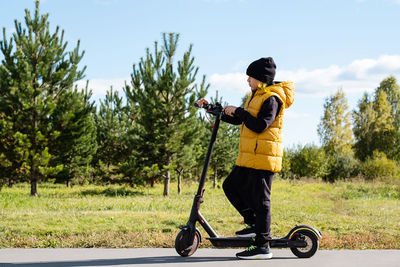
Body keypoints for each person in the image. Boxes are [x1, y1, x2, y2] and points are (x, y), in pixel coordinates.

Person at [196, 57, 295, 260]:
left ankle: (262, 246)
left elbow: (260, 125)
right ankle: (252, 224)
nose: (247, 80)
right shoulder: (257, 95)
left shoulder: (272, 98)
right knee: (230, 186)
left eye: (250, 77)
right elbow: (242, 120)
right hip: (250, 156)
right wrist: (213, 109)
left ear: (260, 78)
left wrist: (239, 111)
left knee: (261, 201)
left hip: (263, 158)